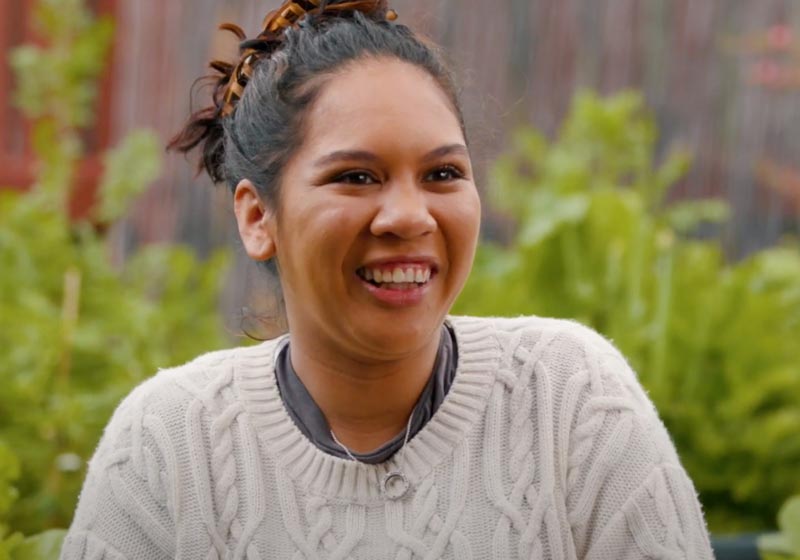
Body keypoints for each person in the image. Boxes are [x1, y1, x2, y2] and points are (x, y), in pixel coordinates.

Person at [60, 1, 714, 558]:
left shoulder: (570, 400)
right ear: (258, 216)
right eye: (356, 176)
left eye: (443, 174)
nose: (410, 215)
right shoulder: (168, 445)